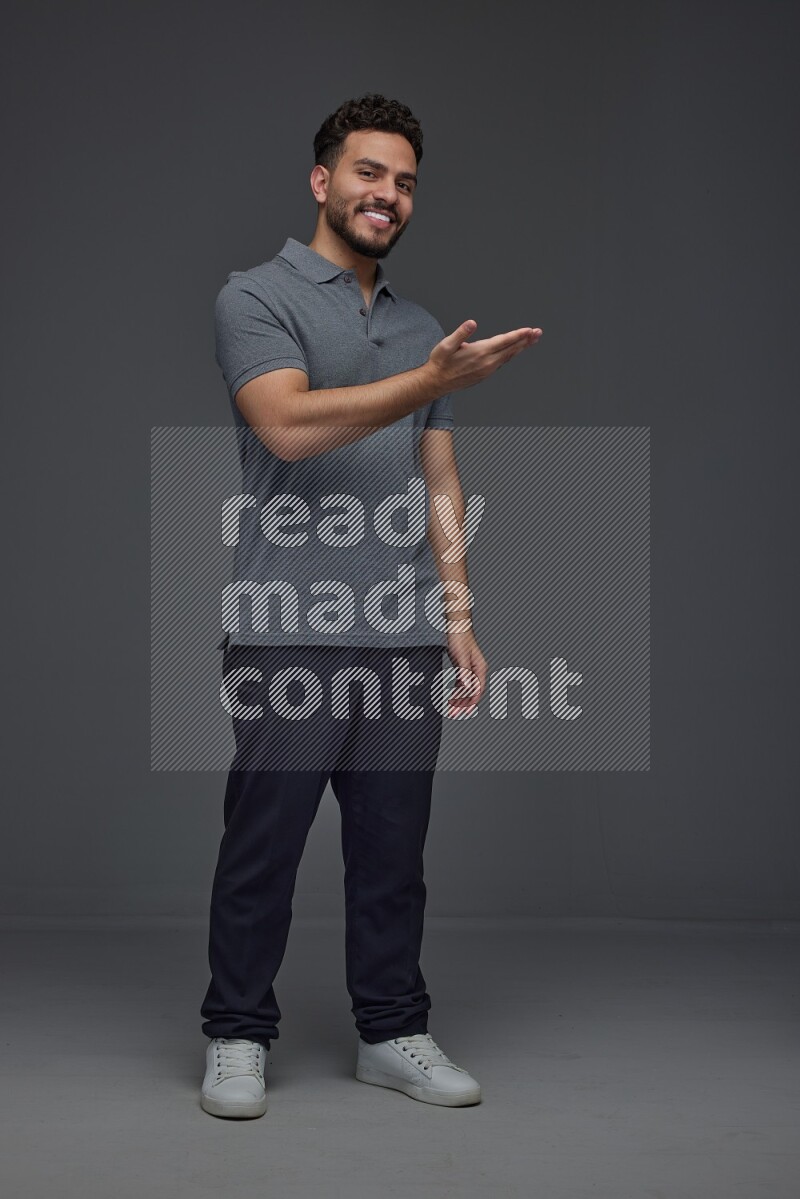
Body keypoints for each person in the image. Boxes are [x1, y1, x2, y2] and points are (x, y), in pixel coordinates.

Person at [199, 93, 542, 1118]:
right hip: (283, 628)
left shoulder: (421, 328)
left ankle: (391, 1027)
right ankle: (235, 1031)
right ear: (322, 181)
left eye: (402, 182)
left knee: (392, 854)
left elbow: (437, 475)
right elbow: (291, 426)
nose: (386, 195)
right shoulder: (253, 297)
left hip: (400, 636)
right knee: (262, 848)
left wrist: (461, 614)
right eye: (367, 173)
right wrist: (427, 381)